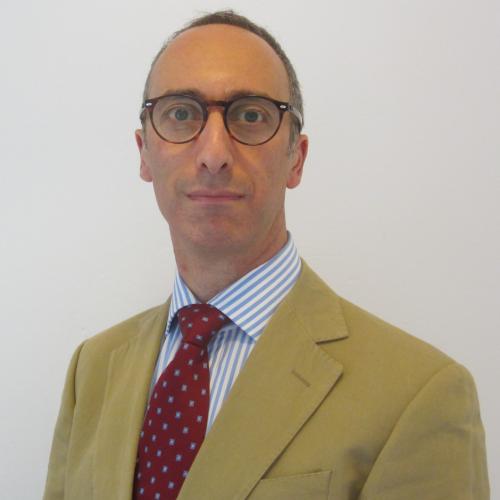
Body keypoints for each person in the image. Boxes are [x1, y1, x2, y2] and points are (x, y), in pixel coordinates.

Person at [43, 10, 489, 500]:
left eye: (251, 116)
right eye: (181, 114)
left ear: (296, 158)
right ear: (143, 152)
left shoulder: (420, 395)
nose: (214, 154)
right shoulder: (92, 369)